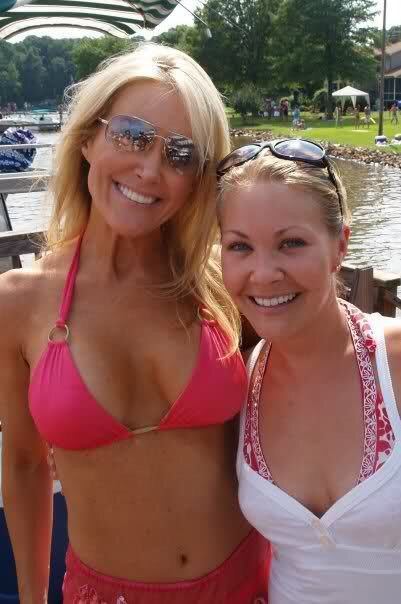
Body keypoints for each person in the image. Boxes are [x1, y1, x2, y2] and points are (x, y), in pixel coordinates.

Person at [0, 44, 269, 604]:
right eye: (131, 134)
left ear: (198, 179)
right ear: (87, 139)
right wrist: (31, 597)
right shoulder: (18, 304)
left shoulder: (223, 282)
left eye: (180, 154)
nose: (150, 169)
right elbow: (25, 467)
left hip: (252, 583)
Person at [216, 138, 401, 603]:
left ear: (339, 246)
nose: (263, 273)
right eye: (240, 246)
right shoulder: (238, 380)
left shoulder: (395, 364)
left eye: (291, 243)